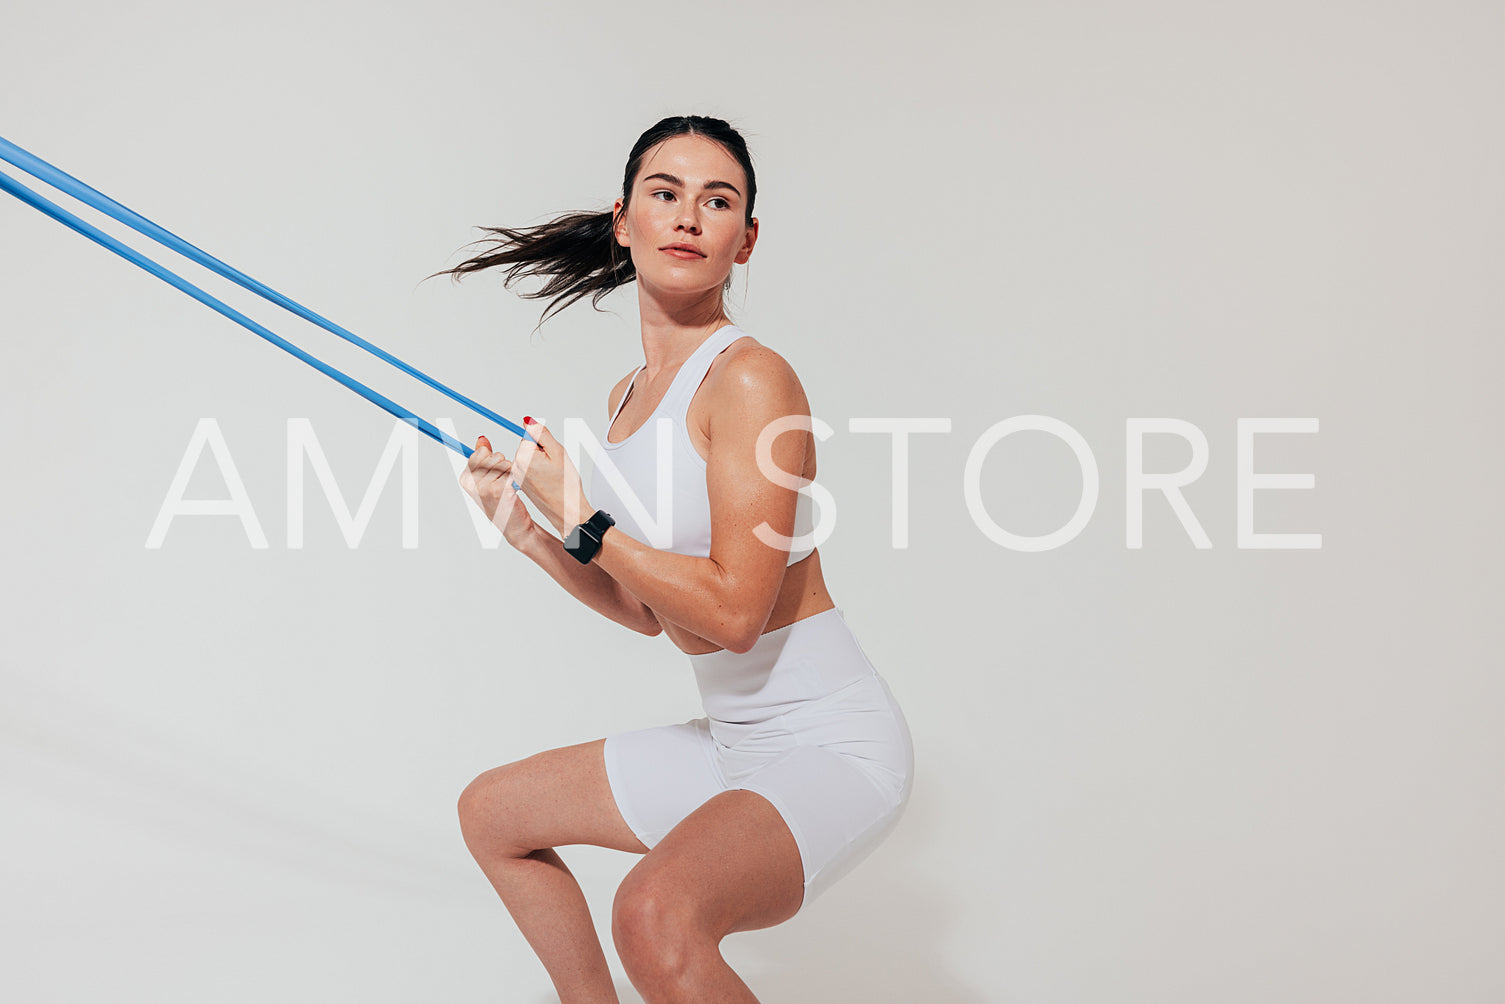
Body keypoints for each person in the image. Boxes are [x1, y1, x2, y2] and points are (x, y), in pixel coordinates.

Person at [448, 115, 913, 1004]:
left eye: (718, 200)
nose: (689, 217)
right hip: (734, 741)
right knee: (494, 814)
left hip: (831, 743)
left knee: (654, 914)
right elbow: (649, 612)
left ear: (745, 239)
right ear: (624, 221)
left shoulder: (748, 377)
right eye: (665, 194)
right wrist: (531, 530)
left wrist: (582, 521)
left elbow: (735, 615)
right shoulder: (627, 400)